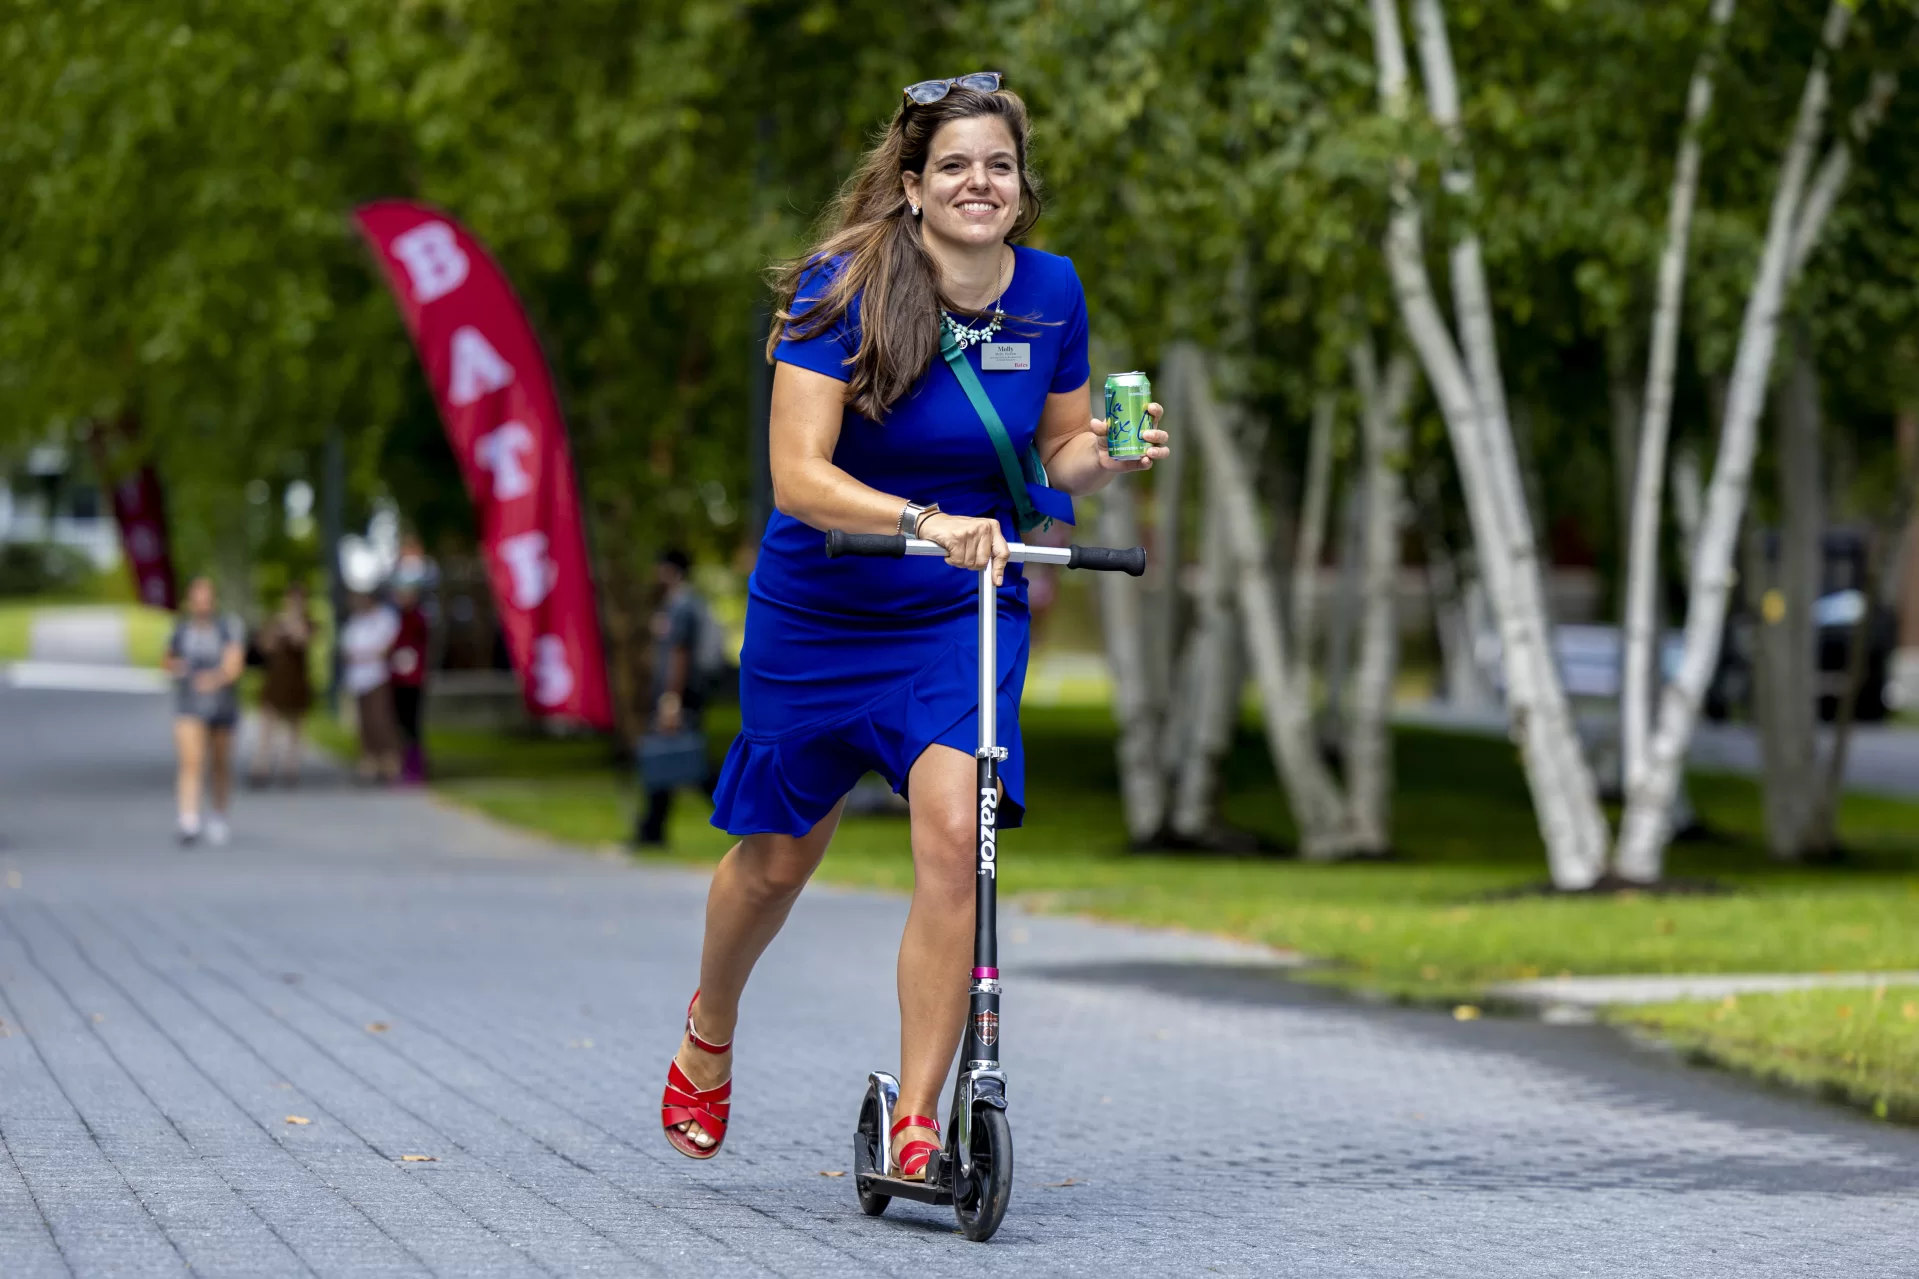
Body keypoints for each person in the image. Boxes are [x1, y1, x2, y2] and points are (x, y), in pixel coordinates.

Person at [659, 76, 1167, 1172]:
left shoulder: (1052, 292)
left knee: (952, 844)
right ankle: (710, 1029)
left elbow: (1058, 451)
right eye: (953, 166)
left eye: (996, 165)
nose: (977, 183)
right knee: (776, 863)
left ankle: (921, 1117)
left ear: (1022, 188)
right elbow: (796, 478)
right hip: (826, 600)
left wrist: (1107, 460)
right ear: (910, 186)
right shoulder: (841, 288)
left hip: (955, 606)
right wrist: (924, 519)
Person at [635, 548, 718, 846]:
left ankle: (745, 817)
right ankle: (651, 831)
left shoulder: (683, 606)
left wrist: (671, 698)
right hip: (678, 695)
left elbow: (680, 654)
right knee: (668, 758)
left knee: (691, 764)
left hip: (680, 696)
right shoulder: (675, 604)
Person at [165, 576, 246, 845]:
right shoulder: (181, 630)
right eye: (197, 599)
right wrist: (176, 668)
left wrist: (213, 679)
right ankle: (188, 819)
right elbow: (167, 660)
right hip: (189, 705)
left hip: (221, 705)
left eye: (206, 600)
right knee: (191, 761)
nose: (202, 605)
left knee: (220, 764)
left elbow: (235, 665)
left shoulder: (226, 629)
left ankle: (218, 815)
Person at [249, 582, 314, 786]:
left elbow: (300, 640)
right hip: (276, 678)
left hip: (296, 679)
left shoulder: (307, 623)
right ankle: (262, 765)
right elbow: (264, 646)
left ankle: (291, 766)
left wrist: (293, 623)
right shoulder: (275, 621)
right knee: (267, 723)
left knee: (295, 725)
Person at [339, 590, 402, 784]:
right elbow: (348, 650)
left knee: (380, 720)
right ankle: (370, 763)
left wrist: (365, 655)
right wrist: (365, 654)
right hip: (358, 680)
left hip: (378, 677)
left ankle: (391, 763)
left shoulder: (385, 618)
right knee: (364, 724)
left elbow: (385, 648)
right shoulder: (355, 622)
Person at [389, 576, 431, 784]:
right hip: (398, 678)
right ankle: (405, 766)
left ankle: (416, 769)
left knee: (412, 725)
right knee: (402, 724)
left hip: (412, 679)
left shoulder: (417, 618)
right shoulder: (397, 618)